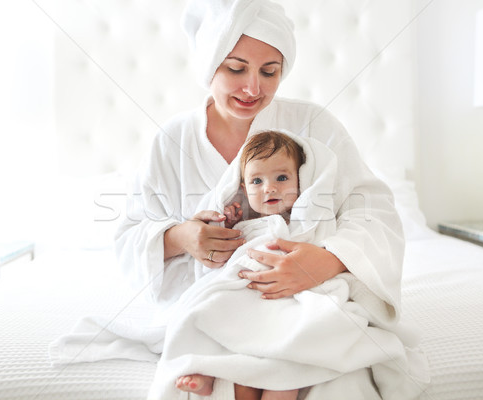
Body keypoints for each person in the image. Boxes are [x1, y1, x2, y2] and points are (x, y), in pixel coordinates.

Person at [116, 0, 427, 398]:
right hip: (218, 299)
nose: (253, 88)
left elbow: (374, 214)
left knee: (337, 372)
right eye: (235, 68)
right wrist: (182, 237)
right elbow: (129, 233)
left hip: (305, 298)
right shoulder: (171, 140)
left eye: (269, 71)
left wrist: (327, 261)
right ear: (209, 65)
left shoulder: (315, 125)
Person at [175, 130, 306, 399]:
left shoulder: (304, 221)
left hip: (283, 300)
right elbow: (222, 260)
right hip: (244, 293)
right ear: (244, 188)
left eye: (282, 178)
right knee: (218, 318)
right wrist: (229, 225)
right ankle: (207, 368)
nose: (269, 187)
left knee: (285, 367)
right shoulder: (246, 225)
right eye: (257, 180)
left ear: (300, 181)